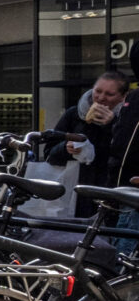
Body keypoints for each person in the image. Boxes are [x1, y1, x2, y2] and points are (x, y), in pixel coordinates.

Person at [46, 70, 126, 218]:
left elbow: (126, 155)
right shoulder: (74, 114)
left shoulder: (127, 119)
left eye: (109, 94)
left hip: (110, 193)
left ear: (122, 97)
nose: (101, 98)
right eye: (98, 91)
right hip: (73, 192)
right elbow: (49, 154)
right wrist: (66, 148)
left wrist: (112, 125)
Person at [107, 51, 139, 253]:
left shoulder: (133, 98)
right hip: (126, 191)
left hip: (128, 190)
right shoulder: (134, 98)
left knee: (123, 255)